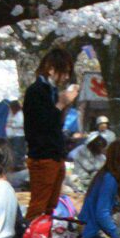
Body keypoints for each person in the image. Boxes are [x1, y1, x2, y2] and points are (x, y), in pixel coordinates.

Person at [20, 53, 76, 229]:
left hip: (55, 155)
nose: (66, 77)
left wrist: (64, 106)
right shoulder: (36, 91)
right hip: (42, 155)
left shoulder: (51, 91)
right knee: (39, 206)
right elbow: (42, 123)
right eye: (64, 72)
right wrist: (61, 104)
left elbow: (55, 123)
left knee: (50, 206)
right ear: (51, 69)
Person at [77, 139, 120, 238]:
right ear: (116, 161)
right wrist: (118, 236)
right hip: (91, 236)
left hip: (91, 233)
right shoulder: (109, 179)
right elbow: (102, 214)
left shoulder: (106, 176)